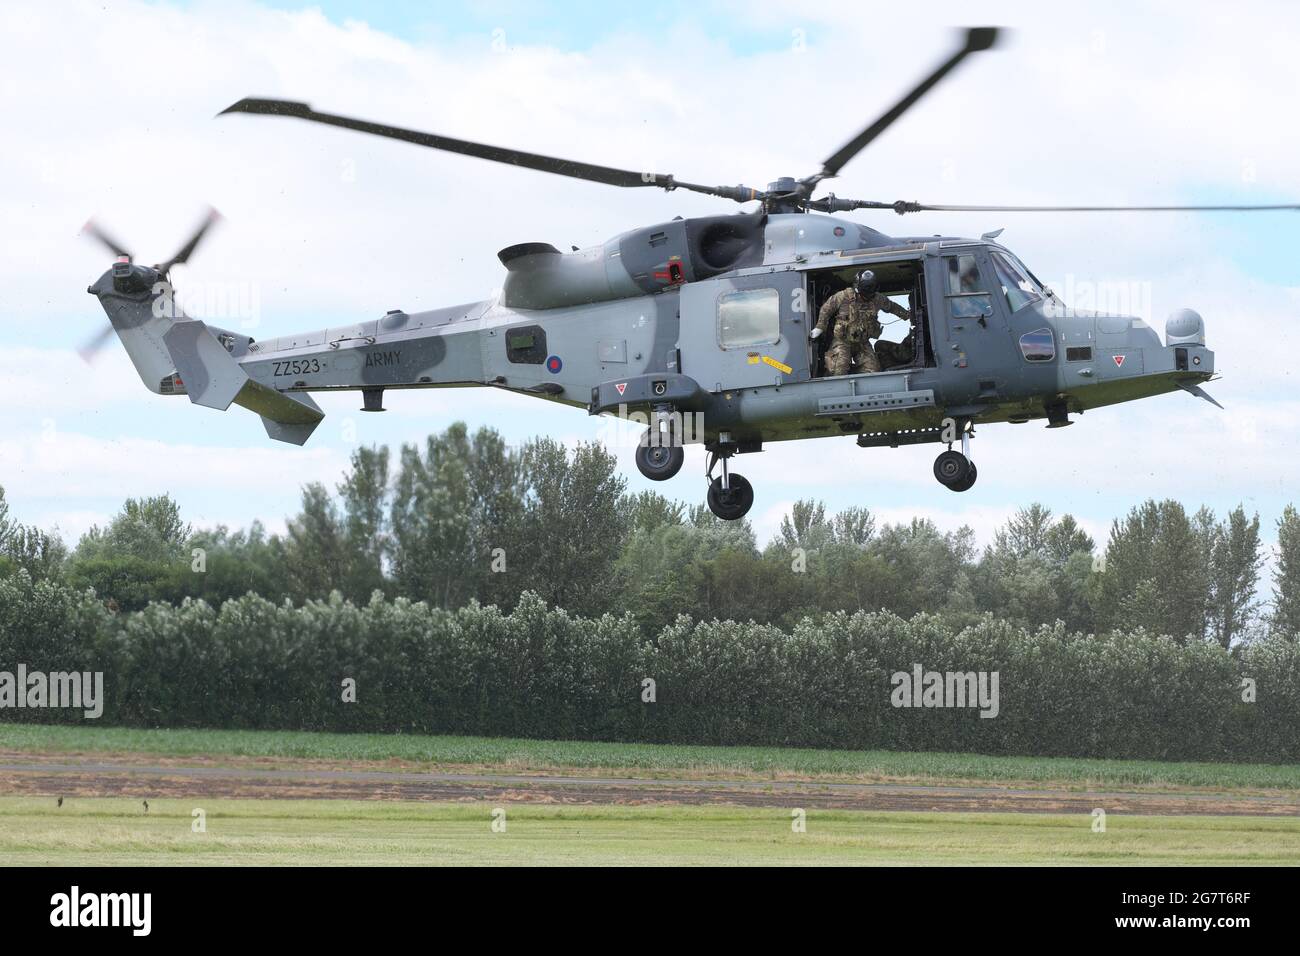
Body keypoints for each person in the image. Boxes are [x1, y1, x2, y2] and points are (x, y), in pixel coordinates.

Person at [811, 270, 912, 375]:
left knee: (873, 371)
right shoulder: (844, 296)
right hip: (842, 341)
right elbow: (826, 309)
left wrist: (907, 315)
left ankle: (852, 374)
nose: (867, 297)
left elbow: (892, 307)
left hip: (862, 343)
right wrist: (820, 327)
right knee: (838, 370)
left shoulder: (877, 299)